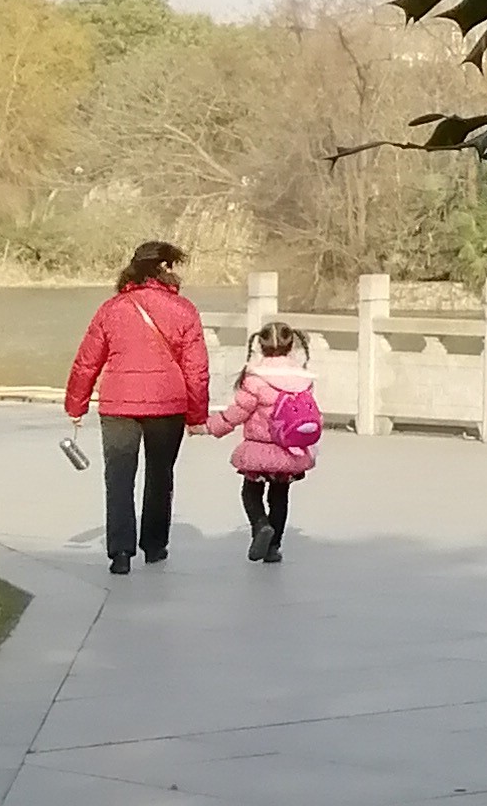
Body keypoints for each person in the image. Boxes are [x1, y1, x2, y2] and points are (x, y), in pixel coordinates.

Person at [62, 240, 210, 577]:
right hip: (168, 405)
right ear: (163, 269)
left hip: (117, 405)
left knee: (118, 478)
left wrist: (76, 405)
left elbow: (87, 361)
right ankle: (155, 546)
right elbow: (196, 369)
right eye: (173, 265)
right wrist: (196, 415)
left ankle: (120, 553)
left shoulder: (112, 308)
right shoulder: (184, 310)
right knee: (160, 476)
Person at [220, 321, 325, 560]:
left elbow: (237, 413)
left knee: (250, 492)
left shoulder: (255, 378)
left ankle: (260, 525)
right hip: (289, 449)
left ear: (260, 344)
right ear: (292, 346)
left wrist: (209, 426)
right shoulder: (302, 379)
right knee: (279, 497)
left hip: (258, 450)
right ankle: (273, 547)